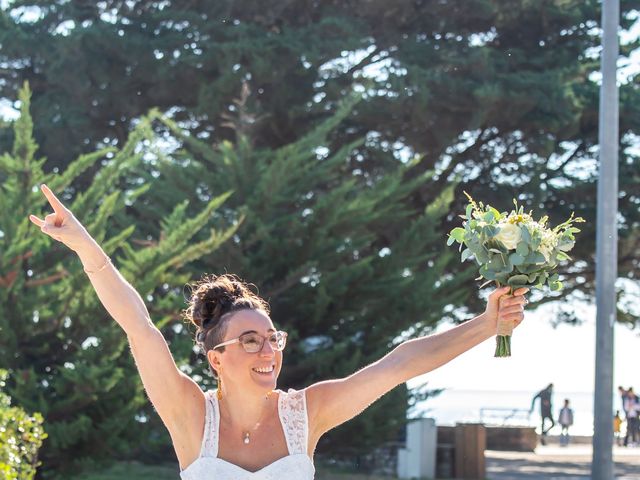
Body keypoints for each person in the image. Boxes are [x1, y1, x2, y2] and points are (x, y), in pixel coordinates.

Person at [29, 184, 529, 479]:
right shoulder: (188, 416)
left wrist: (487, 325)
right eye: (250, 340)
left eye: (272, 338)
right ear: (216, 358)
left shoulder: (306, 415)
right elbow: (139, 327)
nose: (268, 350)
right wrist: (84, 247)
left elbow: (399, 364)